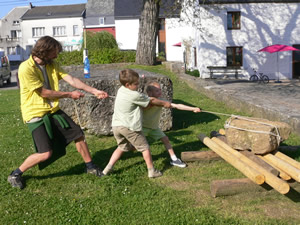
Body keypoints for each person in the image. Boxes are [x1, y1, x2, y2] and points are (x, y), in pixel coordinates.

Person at [7, 36, 108, 189]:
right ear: (44, 51)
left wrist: (94, 91)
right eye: (55, 52)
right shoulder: (25, 68)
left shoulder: (52, 64)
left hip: (52, 110)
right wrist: (69, 95)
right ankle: (15, 174)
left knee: (78, 135)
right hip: (35, 114)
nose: (57, 55)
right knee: (45, 153)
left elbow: (72, 80)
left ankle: (90, 166)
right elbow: (44, 93)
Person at [102, 69, 171, 178]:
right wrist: (165, 103)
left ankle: (107, 169)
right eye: (136, 84)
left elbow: (145, 104)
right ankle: (151, 171)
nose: (138, 85)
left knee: (121, 147)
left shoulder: (121, 90)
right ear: (128, 84)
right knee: (145, 148)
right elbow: (152, 101)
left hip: (116, 126)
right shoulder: (135, 95)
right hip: (129, 127)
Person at [143, 81, 201, 168]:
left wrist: (193, 109)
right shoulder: (143, 101)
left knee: (165, 139)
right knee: (131, 147)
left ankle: (174, 159)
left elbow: (177, 106)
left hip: (154, 127)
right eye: (157, 91)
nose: (160, 92)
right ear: (150, 92)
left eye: (160, 90)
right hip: (142, 127)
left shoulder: (162, 101)